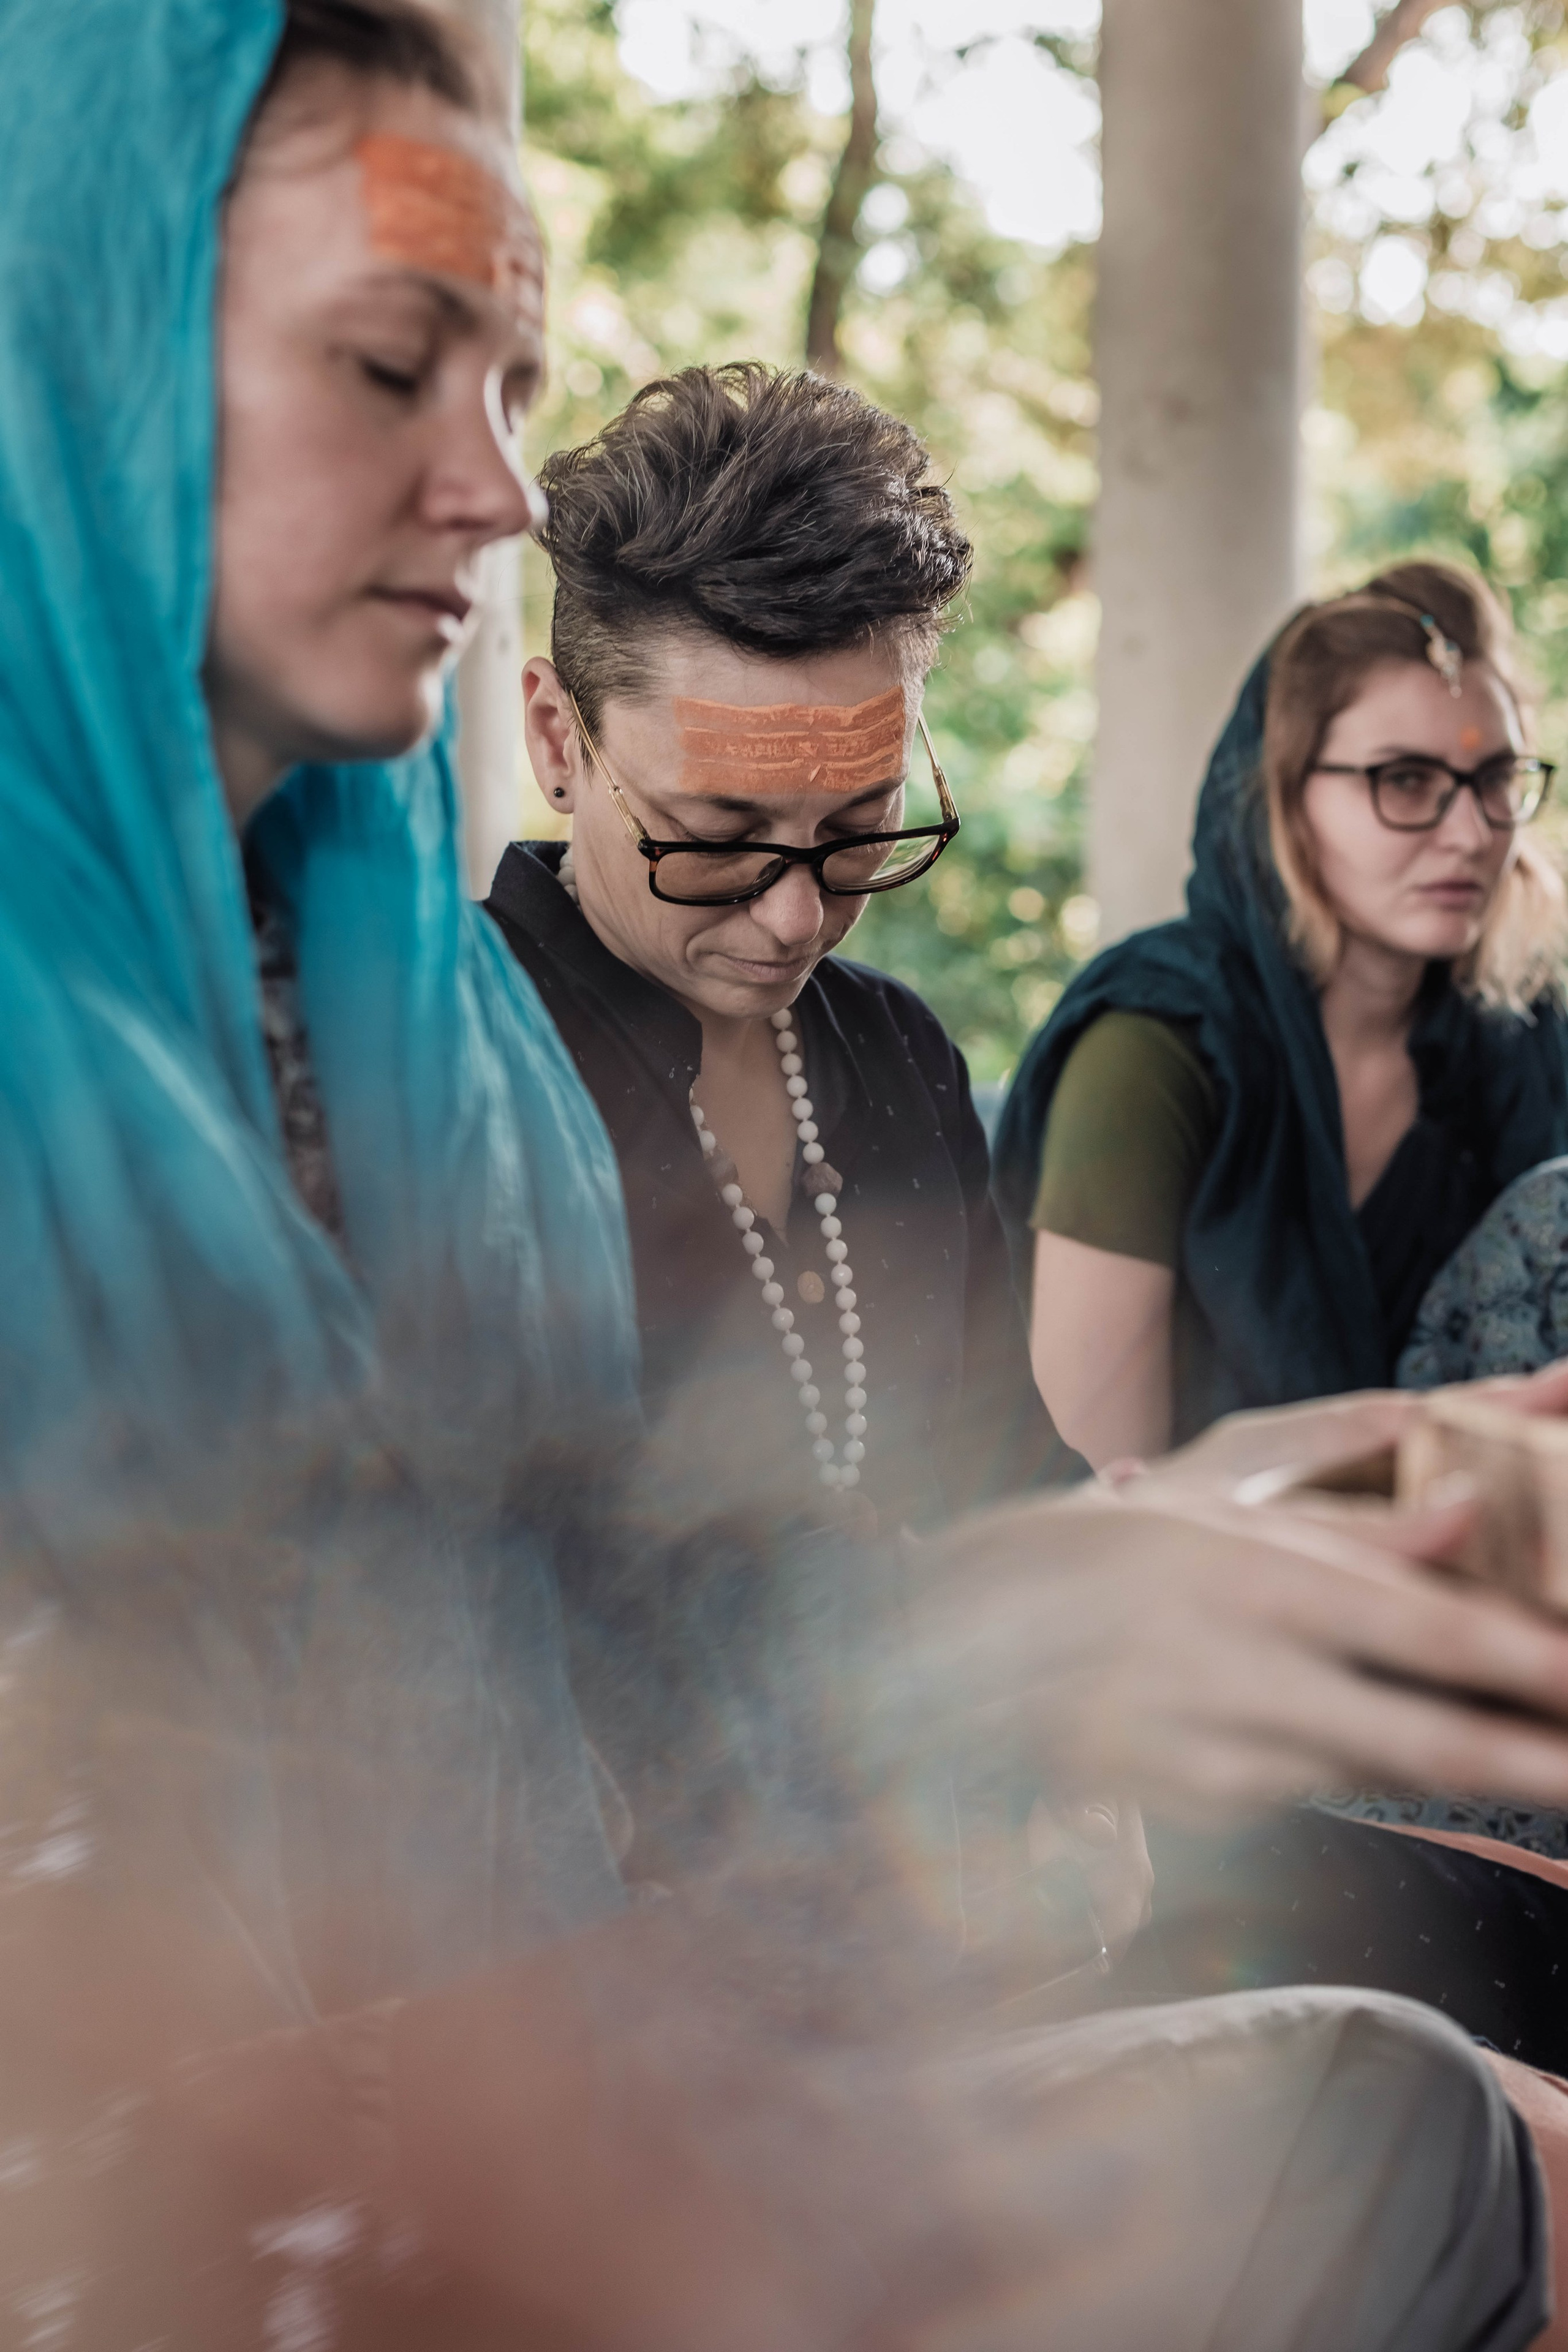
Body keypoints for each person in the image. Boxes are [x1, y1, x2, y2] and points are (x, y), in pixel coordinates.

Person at [9, 2, 1568, 2342]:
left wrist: (1186, 1574)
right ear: (91, 345)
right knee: (1426, 2115)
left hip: (747, 1983)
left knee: (1433, 2070)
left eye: (865, 841)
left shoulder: (453, 1071)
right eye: (387, 368)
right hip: (390, 2169)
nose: (499, 490)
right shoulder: (449, 1041)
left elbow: (690, 1625)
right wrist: (994, 1688)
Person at [486, 363, 1066, 1539]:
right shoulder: (447, 1061)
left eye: (860, 830)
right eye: (717, 836)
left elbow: (1014, 1477)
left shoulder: (899, 1052)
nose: (799, 918)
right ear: (559, 738)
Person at [993, 563, 1568, 1469]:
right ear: (1281, 800)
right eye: (1406, 780)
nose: (1472, 834)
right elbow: (1100, 1489)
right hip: (1186, 1584)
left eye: (1495, 778)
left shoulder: (1523, 1040)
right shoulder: (1154, 1053)